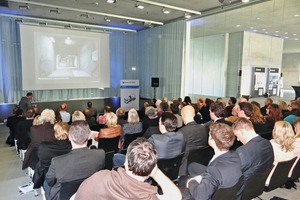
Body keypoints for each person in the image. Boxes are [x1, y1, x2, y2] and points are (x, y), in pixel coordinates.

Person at [74, 137, 182, 200]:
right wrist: (156, 172)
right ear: (152, 167)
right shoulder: (148, 196)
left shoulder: (99, 178)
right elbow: (176, 196)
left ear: (125, 162)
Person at [45, 120, 105, 200]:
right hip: (90, 193)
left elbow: (50, 181)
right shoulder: (100, 154)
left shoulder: (57, 162)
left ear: (69, 137)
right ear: (89, 136)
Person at [185, 123, 242, 200]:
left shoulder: (214, 170)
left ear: (212, 141)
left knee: (184, 185)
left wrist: (192, 182)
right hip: (225, 184)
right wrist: (202, 177)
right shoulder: (235, 155)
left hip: (213, 193)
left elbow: (200, 197)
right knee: (192, 167)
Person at [232, 117, 274, 198]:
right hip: (257, 186)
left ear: (242, 131)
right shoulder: (267, 143)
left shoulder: (243, 151)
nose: (237, 139)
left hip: (241, 190)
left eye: (237, 135)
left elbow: (234, 175)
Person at [33, 122, 72, 189]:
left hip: (51, 182)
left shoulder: (43, 146)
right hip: (70, 179)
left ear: (54, 132)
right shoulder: (73, 146)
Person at [178, 105, 208, 176]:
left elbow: (179, 152)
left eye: (181, 115)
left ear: (184, 115)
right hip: (201, 163)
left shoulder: (182, 132)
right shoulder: (204, 129)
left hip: (184, 167)